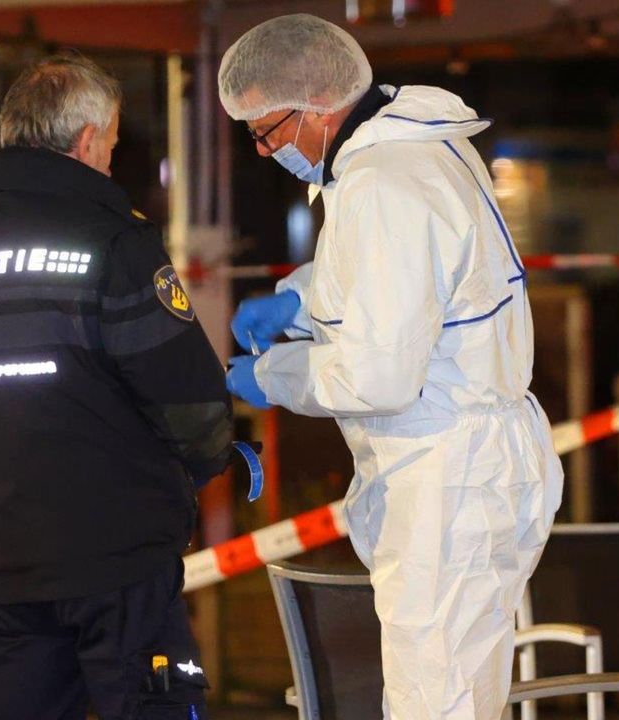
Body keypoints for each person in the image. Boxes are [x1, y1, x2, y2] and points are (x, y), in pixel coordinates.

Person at [218, 14, 565, 720]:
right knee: (459, 695)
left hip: (447, 475)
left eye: (268, 130)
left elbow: (378, 375)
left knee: (434, 704)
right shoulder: (410, 152)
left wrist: (275, 376)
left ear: (318, 106)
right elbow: (398, 283)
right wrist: (296, 300)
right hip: (470, 463)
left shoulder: (381, 178)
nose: (263, 150)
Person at [0, 52, 230, 719]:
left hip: (7, 569)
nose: (112, 162)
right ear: (88, 141)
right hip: (125, 570)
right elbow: (197, 412)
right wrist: (190, 474)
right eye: (113, 147)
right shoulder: (116, 247)